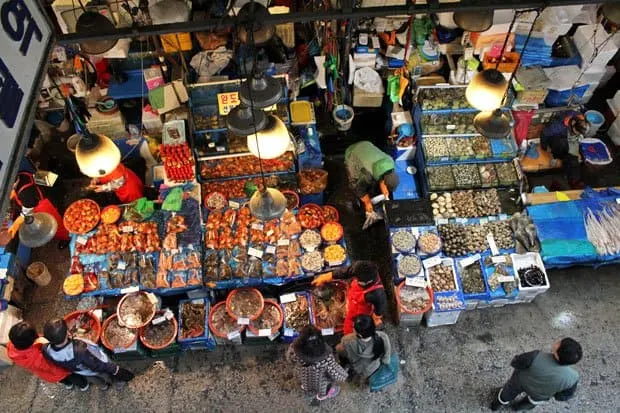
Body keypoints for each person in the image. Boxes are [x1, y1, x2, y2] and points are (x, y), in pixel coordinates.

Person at [490, 337, 582, 411]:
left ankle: (496, 405)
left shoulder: (536, 356)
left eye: (559, 343)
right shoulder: (573, 378)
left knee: (508, 392)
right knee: (531, 402)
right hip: (540, 395)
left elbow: (516, 362)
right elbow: (563, 396)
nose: (558, 340)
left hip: (520, 382)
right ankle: (517, 408)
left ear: (557, 354)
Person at [42, 319, 135, 389]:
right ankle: (116, 383)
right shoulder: (79, 351)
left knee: (93, 379)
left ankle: (103, 387)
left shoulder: (46, 350)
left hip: (81, 371)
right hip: (97, 366)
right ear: (66, 333)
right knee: (106, 375)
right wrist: (113, 369)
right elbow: (96, 365)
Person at [7, 321, 89, 390]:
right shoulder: (38, 357)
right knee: (71, 377)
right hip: (58, 372)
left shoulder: (11, 348)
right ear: (32, 340)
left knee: (63, 380)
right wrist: (67, 368)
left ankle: (68, 385)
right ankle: (84, 385)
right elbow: (54, 367)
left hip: (48, 376)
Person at [312, 260, 387, 334]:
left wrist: (376, 317)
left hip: (361, 311)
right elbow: (347, 271)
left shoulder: (377, 294)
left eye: (357, 280)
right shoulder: (360, 268)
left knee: (350, 329)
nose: (355, 279)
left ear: (366, 282)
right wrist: (329, 276)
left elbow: (380, 307)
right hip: (351, 299)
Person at [344, 141, 399, 229]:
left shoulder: (390, 162)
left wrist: (386, 193)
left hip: (366, 145)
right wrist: (367, 203)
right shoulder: (367, 175)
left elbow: (384, 175)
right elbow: (358, 189)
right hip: (352, 153)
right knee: (354, 181)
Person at [286, 325, 348, 405]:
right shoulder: (327, 358)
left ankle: (306, 389)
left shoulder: (294, 350)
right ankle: (322, 396)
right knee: (323, 388)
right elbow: (336, 372)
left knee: (306, 383)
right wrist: (344, 376)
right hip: (321, 381)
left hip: (304, 375)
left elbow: (289, 359)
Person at [8, 171, 70, 248]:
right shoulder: (22, 174)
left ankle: (67, 237)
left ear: (13, 185)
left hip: (48, 205)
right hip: (48, 192)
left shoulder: (25, 193)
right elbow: (51, 177)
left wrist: (15, 225)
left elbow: (27, 211)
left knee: (57, 224)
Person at [540, 112, 589, 189]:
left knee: (573, 158)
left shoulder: (580, 119)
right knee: (562, 145)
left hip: (569, 140)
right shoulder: (558, 126)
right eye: (576, 132)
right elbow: (544, 133)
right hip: (556, 140)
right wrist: (544, 147)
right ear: (573, 126)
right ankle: (556, 157)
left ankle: (574, 180)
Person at [336, 315, 391, 381]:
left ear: (360, 335)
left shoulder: (347, 340)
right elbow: (387, 355)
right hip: (372, 367)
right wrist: (385, 363)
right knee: (363, 378)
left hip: (357, 367)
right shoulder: (382, 336)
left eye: (354, 327)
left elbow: (340, 351)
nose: (353, 328)